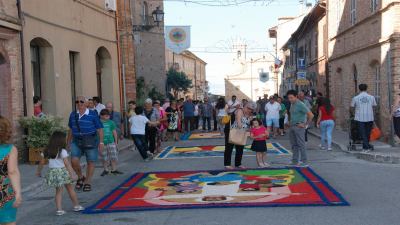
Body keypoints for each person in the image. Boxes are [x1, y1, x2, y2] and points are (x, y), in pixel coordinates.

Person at [37, 131, 84, 216]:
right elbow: (67, 164)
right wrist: (73, 174)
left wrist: (38, 171)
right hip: (63, 172)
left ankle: (59, 210)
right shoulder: (62, 151)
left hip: (53, 172)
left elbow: (41, 163)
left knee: (58, 191)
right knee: (70, 189)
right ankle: (76, 206)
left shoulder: (46, 150)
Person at [67, 96, 104, 192]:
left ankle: (88, 182)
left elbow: (99, 128)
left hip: (90, 140)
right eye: (77, 101)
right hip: (76, 140)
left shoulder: (92, 114)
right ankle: (80, 177)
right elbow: (70, 129)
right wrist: (68, 142)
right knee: (74, 161)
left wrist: (101, 142)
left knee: (90, 161)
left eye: (82, 101)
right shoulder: (73, 114)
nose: (79, 103)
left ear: (86, 104)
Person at [0, 116, 22, 225]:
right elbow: (12, 171)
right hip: (4, 194)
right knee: (8, 221)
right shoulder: (10, 149)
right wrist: (18, 192)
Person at [287, 90, 314, 167]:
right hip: (292, 126)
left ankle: (304, 161)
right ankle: (295, 160)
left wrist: (305, 125)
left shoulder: (300, 104)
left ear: (296, 97)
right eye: (289, 98)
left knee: (301, 144)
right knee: (294, 145)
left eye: (291, 98)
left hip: (299, 127)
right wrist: (289, 122)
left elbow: (311, 115)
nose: (290, 99)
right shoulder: (292, 104)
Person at [224, 103, 253, 169]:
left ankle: (238, 163)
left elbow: (250, 123)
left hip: (242, 132)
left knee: (240, 148)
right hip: (233, 131)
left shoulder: (249, 114)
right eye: (248, 108)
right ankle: (227, 164)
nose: (249, 110)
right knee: (229, 147)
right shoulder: (240, 111)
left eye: (251, 109)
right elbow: (239, 122)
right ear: (245, 107)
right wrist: (247, 128)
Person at [350, 84, 377, 151]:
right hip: (369, 117)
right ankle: (366, 146)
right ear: (366, 88)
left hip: (360, 118)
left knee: (362, 133)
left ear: (359, 89)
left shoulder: (356, 98)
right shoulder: (371, 97)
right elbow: (374, 106)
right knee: (367, 133)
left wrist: (353, 114)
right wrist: (372, 113)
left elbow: (351, 107)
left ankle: (366, 147)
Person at [99, 109, 122, 176]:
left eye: (108, 116)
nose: (108, 117)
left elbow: (114, 132)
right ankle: (105, 169)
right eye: (106, 116)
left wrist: (116, 141)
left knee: (113, 156)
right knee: (104, 157)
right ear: (101, 116)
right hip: (102, 143)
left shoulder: (111, 122)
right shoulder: (98, 123)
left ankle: (114, 169)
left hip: (111, 142)